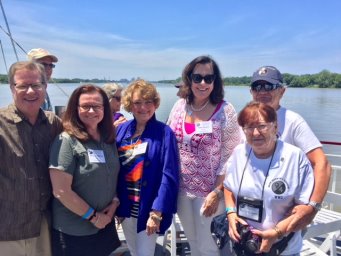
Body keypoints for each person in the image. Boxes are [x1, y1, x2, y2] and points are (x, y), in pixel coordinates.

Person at [167, 55, 242, 256]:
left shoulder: (225, 111)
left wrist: (217, 192)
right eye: (197, 77)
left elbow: (232, 155)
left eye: (208, 78)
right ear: (188, 79)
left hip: (210, 193)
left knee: (209, 246)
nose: (202, 83)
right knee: (192, 243)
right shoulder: (179, 106)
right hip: (182, 190)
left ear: (215, 82)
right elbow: (169, 142)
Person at [223, 101, 314, 255]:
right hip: (244, 243)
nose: (256, 133)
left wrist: (276, 233)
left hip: (282, 246)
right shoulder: (239, 152)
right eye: (249, 127)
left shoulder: (295, 157)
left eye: (262, 126)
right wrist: (231, 213)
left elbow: (302, 209)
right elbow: (228, 187)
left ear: (275, 127)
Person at [249, 66, 331, 232]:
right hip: (251, 207)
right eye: (257, 87)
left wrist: (312, 206)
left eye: (269, 86)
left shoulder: (293, 121)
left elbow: (322, 163)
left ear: (282, 91)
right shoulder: (247, 119)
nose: (262, 91)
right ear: (251, 92)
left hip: (285, 213)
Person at [49, 84, 121, 256]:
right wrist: (93, 217)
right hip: (75, 230)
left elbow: (111, 175)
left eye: (96, 106)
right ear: (75, 108)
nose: (91, 111)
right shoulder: (66, 141)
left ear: (104, 109)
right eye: (85, 106)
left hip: (104, 225)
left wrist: (115, 203)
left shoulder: (107, 139)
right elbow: (61, 191)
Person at [0, 61, 62, 256]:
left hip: (46, 226)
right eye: (22, 85)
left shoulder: (53, 123)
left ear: (45, 86)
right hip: (9, 228)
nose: (30, 91)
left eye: (36, 85)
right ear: (12, 88)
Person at [115, 79, 179, 256]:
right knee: (135, 253)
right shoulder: (122, 130)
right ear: (129, 105)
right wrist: (117, 205)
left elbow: (169, 175)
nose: (143, 107)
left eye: (148, 102)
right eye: (137, 103)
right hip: (126, 209)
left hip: (149, 210)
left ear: (155, 104)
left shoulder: (164, 132)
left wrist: (157, 212)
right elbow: (116, 170)